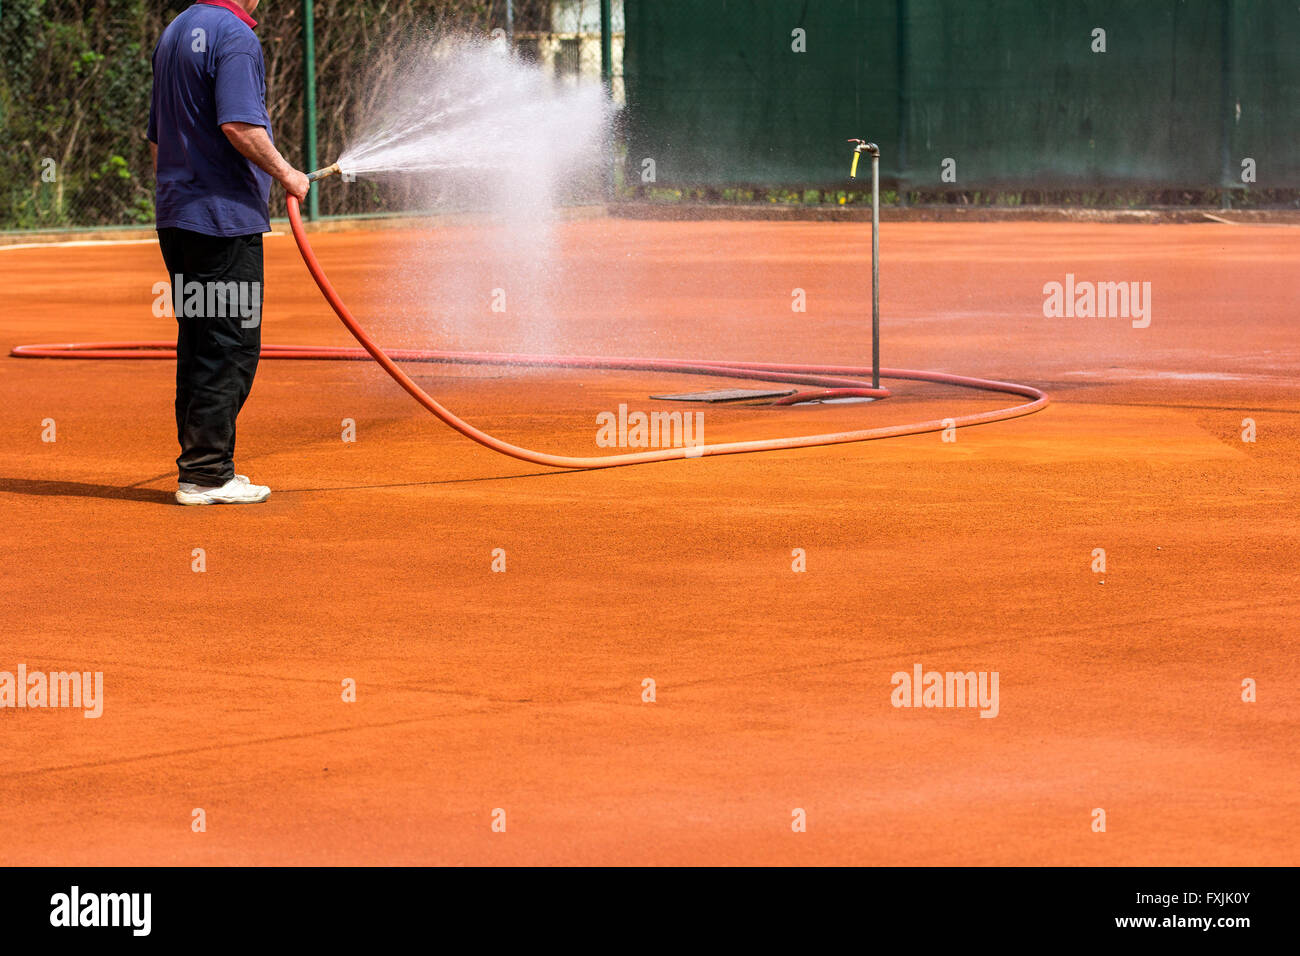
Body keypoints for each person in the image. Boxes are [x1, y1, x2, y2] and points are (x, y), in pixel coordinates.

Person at [147, 0, 309, 505]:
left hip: (179, 216)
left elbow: (157, 138)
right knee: (229, 344)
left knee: (199, 340)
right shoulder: (235, 35)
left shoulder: (175, 30)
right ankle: (206, 474)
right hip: (221, 221)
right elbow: (238, 125)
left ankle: (201, 466)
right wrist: (287, 174)